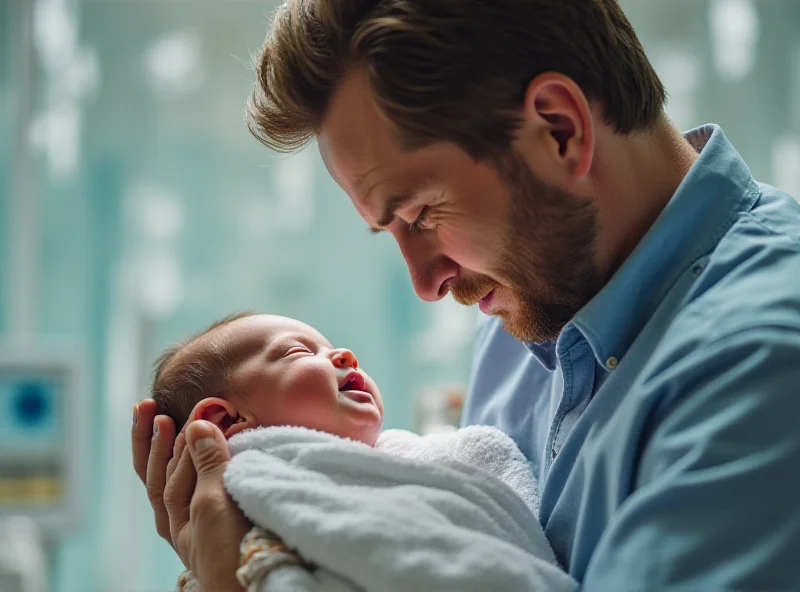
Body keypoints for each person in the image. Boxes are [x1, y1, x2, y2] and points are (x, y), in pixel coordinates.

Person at [132, 0, 800, 589]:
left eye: (421, 215)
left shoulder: (761, 368)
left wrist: (235, 581)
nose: (427, 284)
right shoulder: (523, 313)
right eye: (389, 230)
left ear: (559, 129)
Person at [148, 311, 574, 591]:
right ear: (227, 421)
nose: (343, 354)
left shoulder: (418, 455)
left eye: (329, 343)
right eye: (299, 352)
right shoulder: (259, 484)